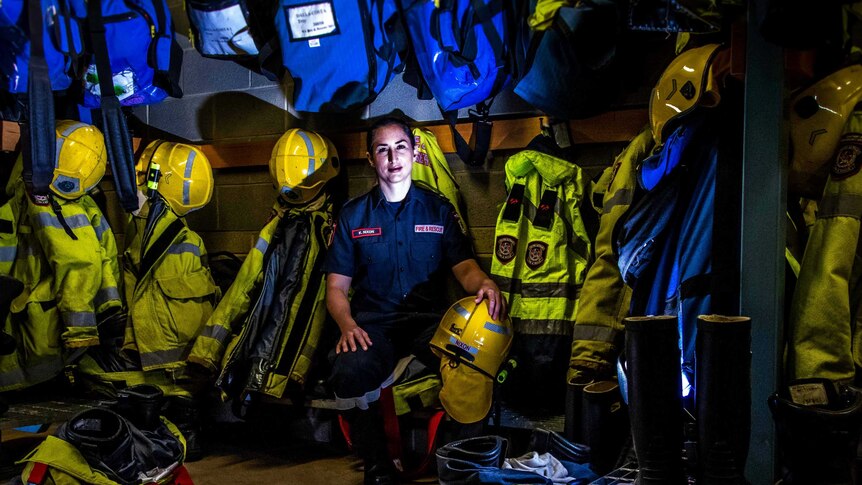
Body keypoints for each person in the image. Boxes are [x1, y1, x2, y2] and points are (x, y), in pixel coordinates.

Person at [323, 116, 505, 485]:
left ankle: (459, 462)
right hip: (373, 324)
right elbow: (336, 288)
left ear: (414, 151)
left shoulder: (438, 209)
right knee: (348, 367)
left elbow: (464, 267)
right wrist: (347, 325)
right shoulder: (352, 215)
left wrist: (485, 284)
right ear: (371, 159)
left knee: (476, 357)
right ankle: (377, 466)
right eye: (383, 149)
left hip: (429, 323)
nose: (393, 157)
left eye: (400, 147)